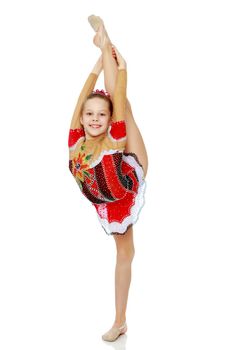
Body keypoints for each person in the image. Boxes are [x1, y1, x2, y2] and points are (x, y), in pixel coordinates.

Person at [68, 15, 149, 342]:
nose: (95, 118)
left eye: (101, 114)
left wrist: (122, 69)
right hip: (107, 190)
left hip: (129, 174)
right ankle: (105, 45)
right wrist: (96, 68)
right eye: (91, 114)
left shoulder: (114, 134)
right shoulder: (76, 139)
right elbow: (80, 102)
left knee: (123, 106)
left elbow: (114, 108)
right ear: (83, 119)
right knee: (124, 253)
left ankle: (119, 321)